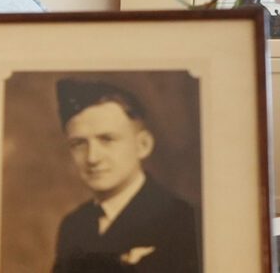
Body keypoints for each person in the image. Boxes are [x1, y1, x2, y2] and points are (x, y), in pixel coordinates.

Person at [52, 78, 201, 273]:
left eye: (107, 139)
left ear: (143, 145)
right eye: (79, 144)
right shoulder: (74, 226)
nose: (92, 157)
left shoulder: (185, 221)